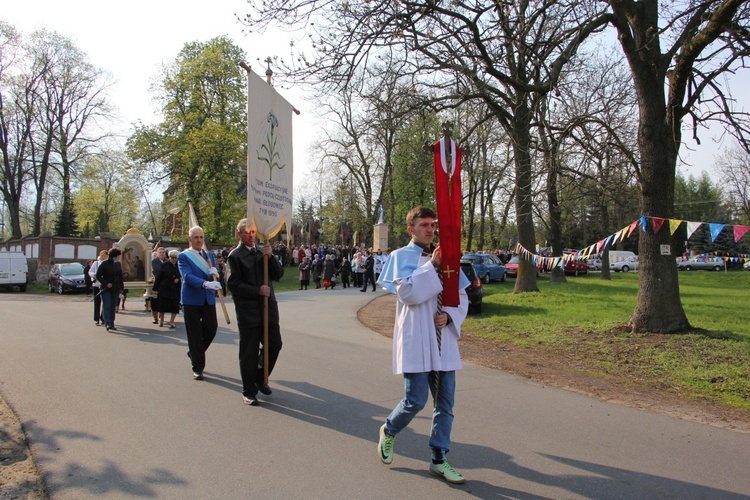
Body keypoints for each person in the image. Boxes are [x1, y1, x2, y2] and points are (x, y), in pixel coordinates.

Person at [375, 205, 470, 484]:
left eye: (433, 224)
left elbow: (461, 295)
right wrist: (433, 266)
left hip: (443, 342)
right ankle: (390, 430)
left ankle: (439, 459)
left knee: (445, 404)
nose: (430, 229)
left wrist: (450, 315)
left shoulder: (449, 256)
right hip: (417, 337)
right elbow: (407, 293)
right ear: (411, 229)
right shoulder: (401, 256)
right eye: (424, 225)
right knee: (415, 400)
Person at [227, 218, 284, 406]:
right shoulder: (234, 256)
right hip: (249, 311)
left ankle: (260, 376)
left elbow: (278, 275)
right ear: (239, 234)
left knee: (274, 344)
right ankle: (248, 390)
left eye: (253, 232)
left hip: (268, 308)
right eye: (246, 232)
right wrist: (256, 290)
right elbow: (233, 284)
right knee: (249, 352)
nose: (251, 236)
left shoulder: (263, 252)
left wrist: (272, 256)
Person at [178, 226, 221, 381]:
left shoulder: (209, 255)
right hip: (191, 299)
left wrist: (216, 276)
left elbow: (214, 277)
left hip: (208, 298)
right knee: (194, 334)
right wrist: (205, 284)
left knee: (211, 329)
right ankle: (198, 367)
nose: (199, 240)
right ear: (190, 239)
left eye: (201, 237)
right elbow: (187, 277)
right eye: (196, 237)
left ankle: (195, 352)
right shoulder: (184, 256)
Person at [95, 247, 124, 332]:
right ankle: (107, 323)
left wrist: (121, 288)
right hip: (106, 288)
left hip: (115, 288)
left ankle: (112, 323)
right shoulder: (104, 264)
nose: (119, 257)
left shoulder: (118, 264)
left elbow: (120, 277)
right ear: (114, 256)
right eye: (118, 256)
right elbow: (98, 276)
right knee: (107, 305)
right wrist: (106, 283)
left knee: (113, 306)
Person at [153, 250, 182, 328]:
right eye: (172, 257)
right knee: (162, 306)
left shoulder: (179, 265)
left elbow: (182, 276)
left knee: (174, 307)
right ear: (169, 257)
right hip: (164, 288)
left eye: (175, 258)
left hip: (175, 289)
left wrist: (178, 279)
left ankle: (172, 321)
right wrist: (155, 288)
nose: (174, 259)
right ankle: (161, 320)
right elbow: (159, 277)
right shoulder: (164, 265)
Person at [89, 250, 108, 325]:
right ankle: (96, 318)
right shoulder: (96, 263)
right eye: (103, 255)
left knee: (105, 302)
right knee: (97, 302)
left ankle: (103, 318)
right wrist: (95, 275)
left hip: (104, 285)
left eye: (105, 256)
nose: (104, 257)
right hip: (96, 284)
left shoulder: (107, 263)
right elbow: (90, 272)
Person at [151, 247, 167, 324]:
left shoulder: (167, 261)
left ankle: (162, 317)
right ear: (157, 253)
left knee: (163, 302)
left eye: (163, 252)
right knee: (154, 302)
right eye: (160, 252)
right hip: (156, 284)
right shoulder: (154, 262)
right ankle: (155, 318)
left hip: (165, 285)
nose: (161, 254)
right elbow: (154, 271)